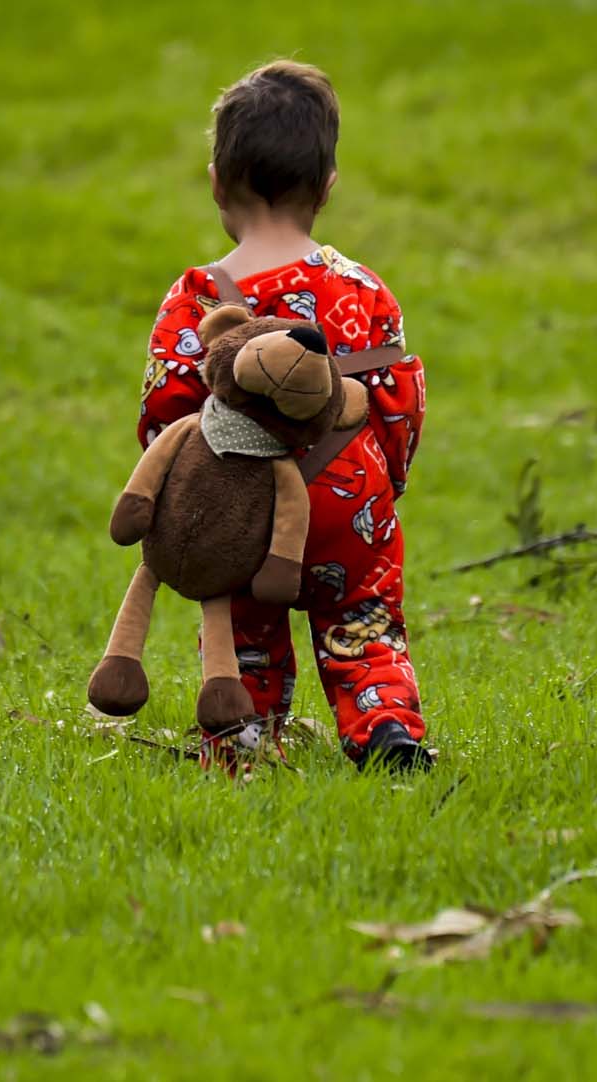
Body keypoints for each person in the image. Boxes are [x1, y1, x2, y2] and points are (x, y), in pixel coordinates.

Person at [136, 60, 430, 772]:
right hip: (347, 499)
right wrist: (386, 480)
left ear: (215, 181)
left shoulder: (198, 294)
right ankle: (386, 726)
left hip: (243, 505)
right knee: (363, 617)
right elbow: (399, 397)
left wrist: (182, 495)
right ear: (327, 188)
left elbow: (165, 413)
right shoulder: (360, 286)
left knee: (245, 631)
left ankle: (242, 742)